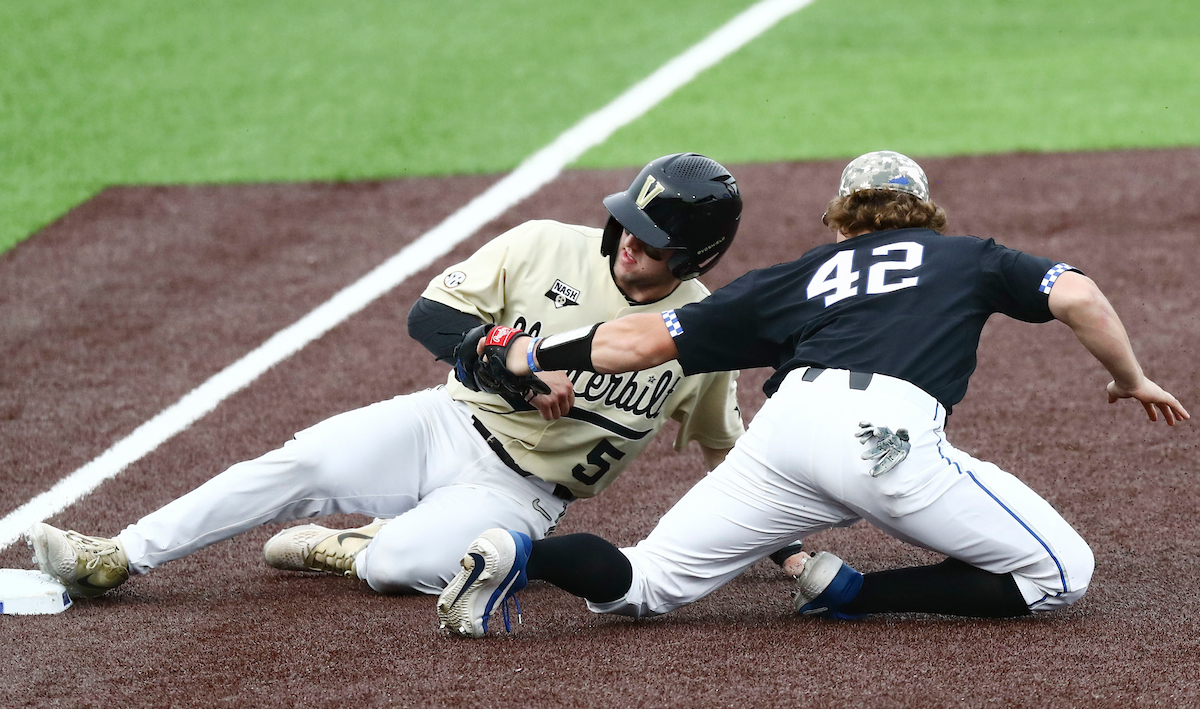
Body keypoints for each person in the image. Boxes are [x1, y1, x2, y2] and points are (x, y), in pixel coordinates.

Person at [436, 150, 1190, 637]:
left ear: (841, 217)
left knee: (646, 583)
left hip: (784, 434)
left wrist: (529, 348)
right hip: (881, 439)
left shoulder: (791, 279)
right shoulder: (971, 257)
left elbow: (637, 341)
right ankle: (853, 593)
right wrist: (1131, 379)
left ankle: (519, 555)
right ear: (924, 211)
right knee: (1061, 575)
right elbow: (1078, 296)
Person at [27, 152, 797, 601]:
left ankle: (356, 547)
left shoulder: (698, 334)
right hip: (447, 420)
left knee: (400, 567)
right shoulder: (542, 245)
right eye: (629, 221)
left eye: (653, 238)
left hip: (524, 493)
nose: (629, 240)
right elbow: (430, 316)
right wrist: (512, 371)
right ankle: (119, 554)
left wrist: (782, 549)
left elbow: (728, 454)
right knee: (298, 462)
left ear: (694, 256)